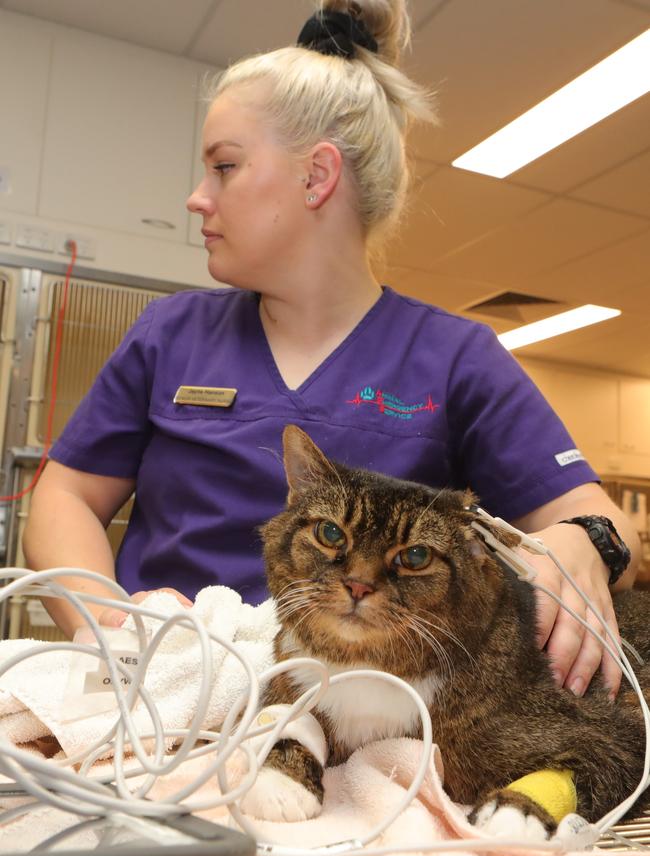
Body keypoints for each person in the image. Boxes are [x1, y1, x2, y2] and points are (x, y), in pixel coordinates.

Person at [23, 0, 639, 703]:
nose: (197, 198)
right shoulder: (168, 335)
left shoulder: (455, 356)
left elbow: (601, 518)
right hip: (164, 702)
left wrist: (587, 539)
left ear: (317, 177)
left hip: (354, 719)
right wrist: (111, 620)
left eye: (223, 167)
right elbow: (65, 494)